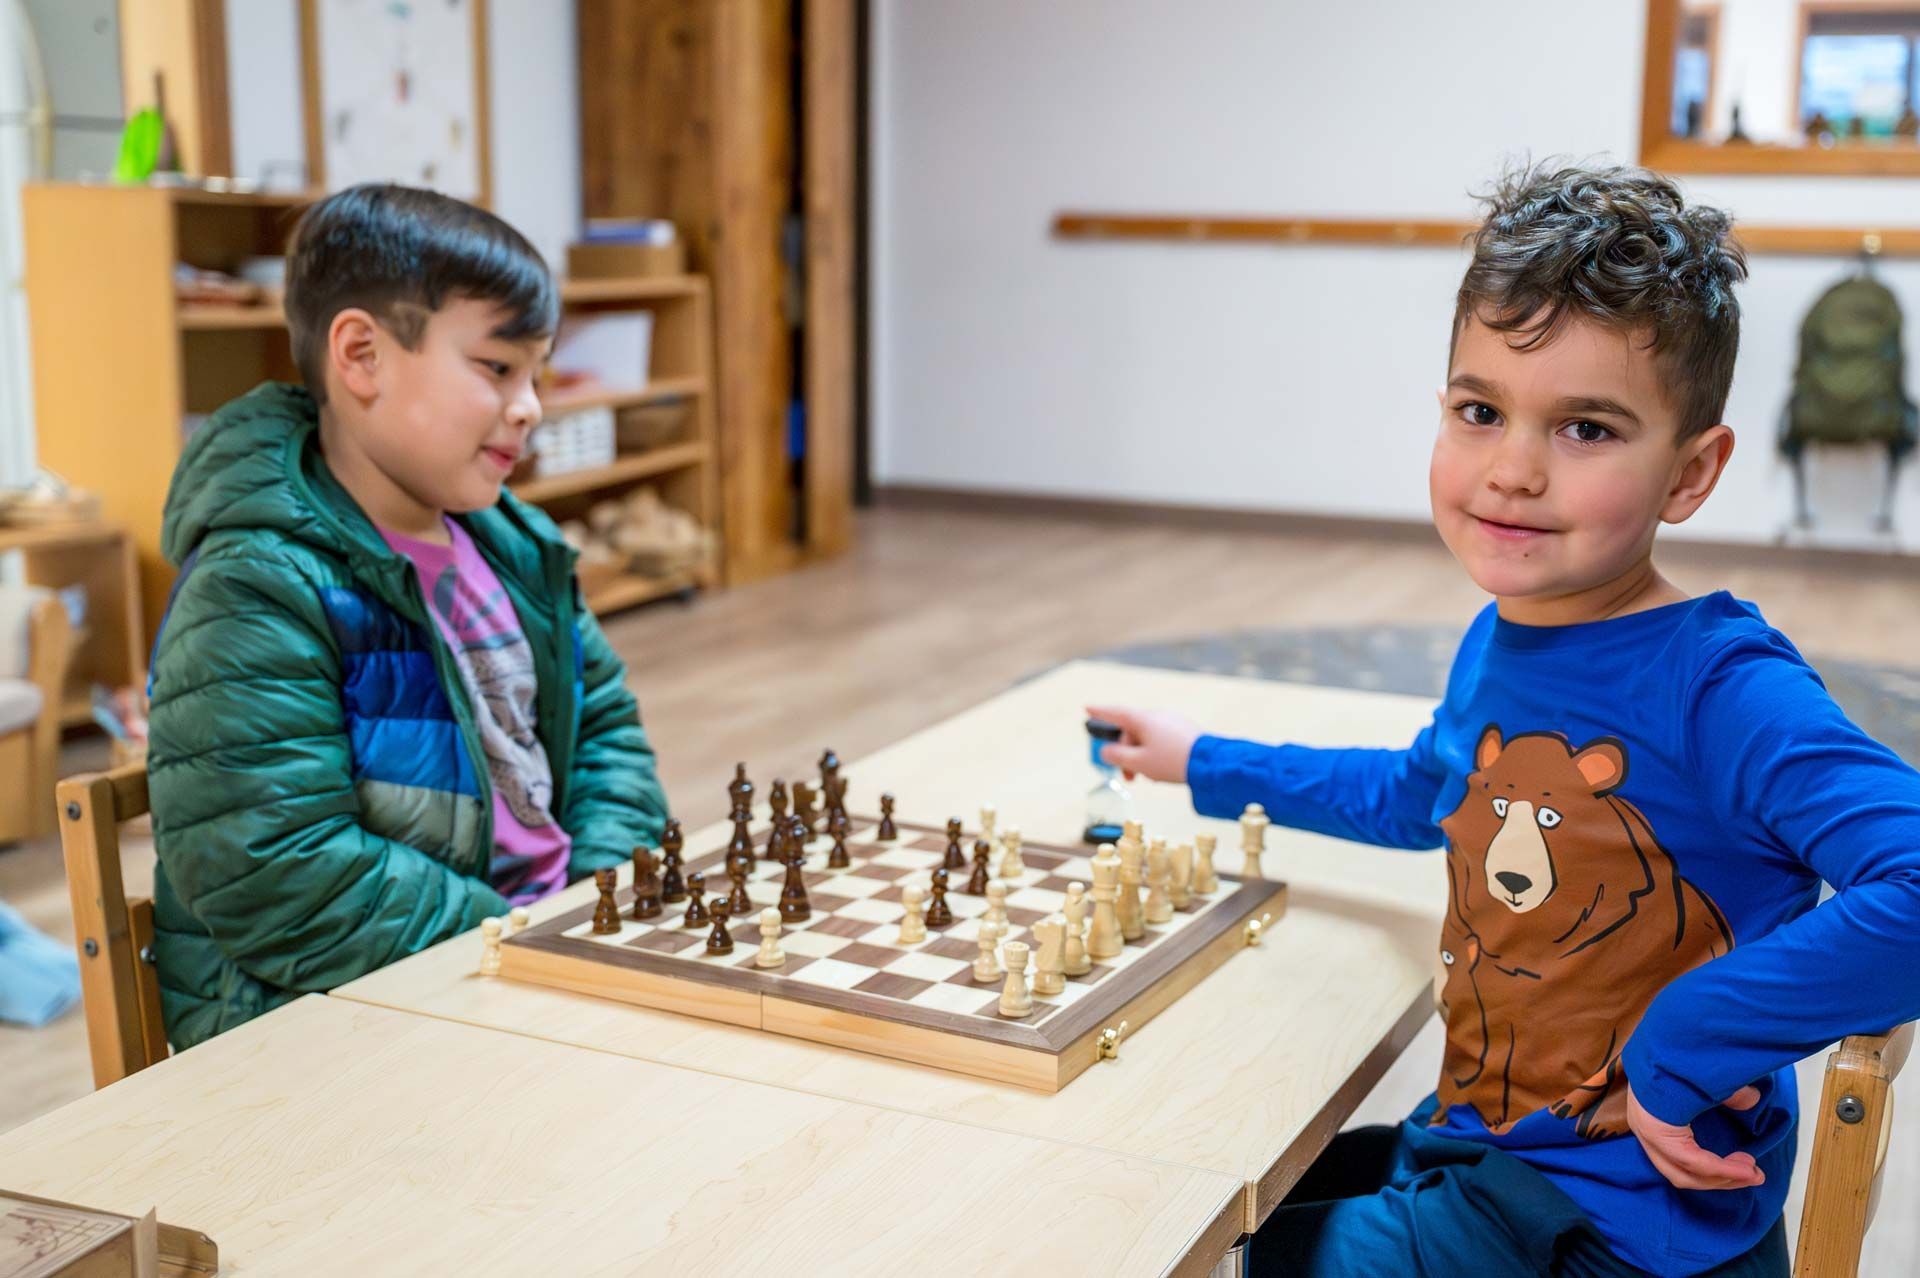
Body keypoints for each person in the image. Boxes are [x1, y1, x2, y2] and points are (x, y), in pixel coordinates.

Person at [1092, 164, 1920, 1278]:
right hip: (1496, 1155)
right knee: (1232, 1196)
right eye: (1480, 412)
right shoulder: (1508, 632)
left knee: (1236, 1254)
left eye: (1585, 428)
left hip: (1617, 1232)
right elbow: (1419, 791)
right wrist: (1207, 759)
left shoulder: (1721, 684)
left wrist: (1688, 1040)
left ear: (1692, 473)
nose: (1513, 471)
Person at [146, 184, 667, 1049]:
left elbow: (607, 725)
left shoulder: (512, 548)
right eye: (498, 368)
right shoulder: (255, 587)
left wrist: (596, 897)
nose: (531, 404)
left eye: (536, 373)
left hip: (530, 968)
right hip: (349, 1025)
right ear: (362, 357)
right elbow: (275, 870)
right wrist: (509, 938)